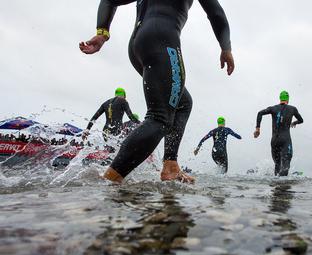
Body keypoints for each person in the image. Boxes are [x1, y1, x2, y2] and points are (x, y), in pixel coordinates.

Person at [79, 0, 234, 183]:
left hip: (138, 44)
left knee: (183, 102)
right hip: (163, 40)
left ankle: (170, 166)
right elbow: (215, 13)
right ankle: (109, 180)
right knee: (159, 117)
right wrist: (226, 48)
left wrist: (102, 32)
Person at [253, 91, 303, 176]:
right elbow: (301, 120)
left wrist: (258, 129)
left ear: (280, 98)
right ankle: (283, 187)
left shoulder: (273, 108)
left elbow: (260, 113)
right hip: (285, 140)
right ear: (288, 99)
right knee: (285, 166)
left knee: (277, 165)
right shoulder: (292, 109)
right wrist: (294, 123)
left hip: (274, 141)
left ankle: (276, 187)